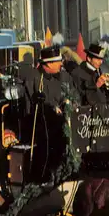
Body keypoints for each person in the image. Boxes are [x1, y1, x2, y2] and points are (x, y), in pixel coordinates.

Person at [19, 39, 79, 184]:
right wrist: (50, 107)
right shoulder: (33, 78)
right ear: (48, 64)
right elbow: (29, 107)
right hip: (42, 127)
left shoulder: (64, 77)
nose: (61, 64)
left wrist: (68, 103)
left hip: (65, 124)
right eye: (58, 61)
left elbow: (73, 94)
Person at [68, 39, 109, 106]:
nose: (101, 62)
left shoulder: (98, 70)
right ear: (89, 59)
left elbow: (105, 96)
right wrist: (97, 85)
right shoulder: (78, 73)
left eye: (101, 59)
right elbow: (81, 97)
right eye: (98, 59)